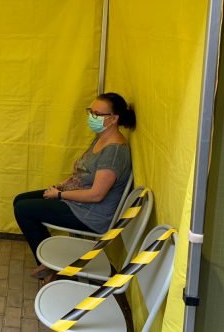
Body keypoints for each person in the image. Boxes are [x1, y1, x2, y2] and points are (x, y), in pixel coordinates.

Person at [13, 93, 135, 280]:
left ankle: (51, 266)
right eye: (90, 112)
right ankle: (49, 261)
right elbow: (83, 171)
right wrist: (62, 186)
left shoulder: (114, 152)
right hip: (77, 199)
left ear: (113, 118)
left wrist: (60, 195)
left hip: (90, 213)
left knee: (23, 209)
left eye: (97, 114)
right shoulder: (101, 138)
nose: (92, 117)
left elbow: (96, 195)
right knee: (19, 200)